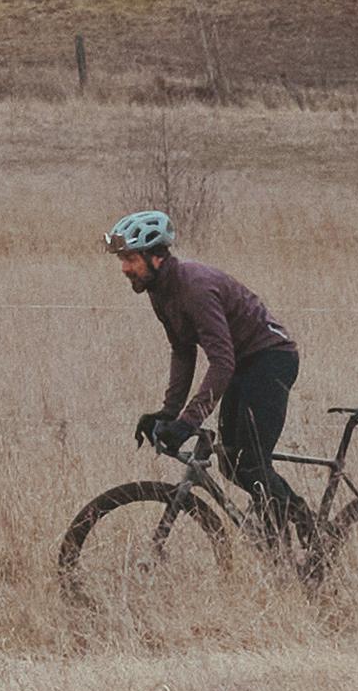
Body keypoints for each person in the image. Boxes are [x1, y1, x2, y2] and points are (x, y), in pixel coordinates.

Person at [104, 209, 313, 547]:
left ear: (156, 257)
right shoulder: (159, 290)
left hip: (271, 359)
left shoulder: (195, 287)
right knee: (231, 463)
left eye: (130, 259)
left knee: (251, 463)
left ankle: (308, 527)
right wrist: (168, 412)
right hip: (243, 365)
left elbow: (221, 362)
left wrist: (189, 421)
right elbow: (182, 350)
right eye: (122, 260)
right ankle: (279, 542)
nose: (124, 268)